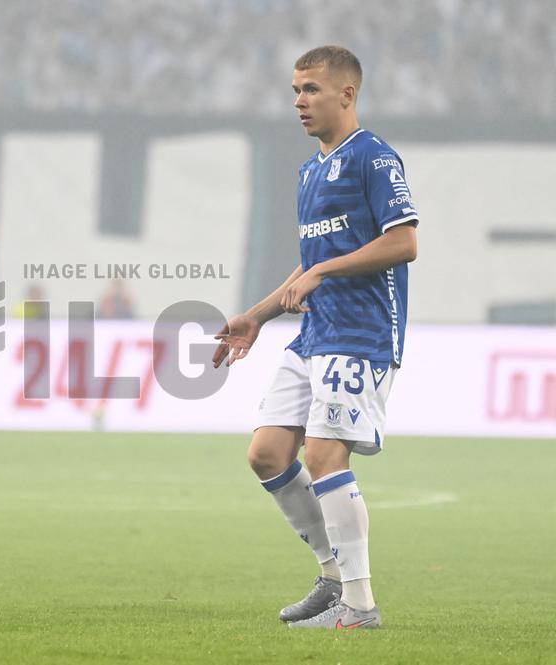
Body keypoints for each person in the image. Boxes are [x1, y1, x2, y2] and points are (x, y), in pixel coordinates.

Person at [213, 45, 419, 629]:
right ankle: (332, 577)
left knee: (324, 454)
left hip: (362, 331)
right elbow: (310, 264)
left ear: (346, 94)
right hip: (314, 332)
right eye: (296, 90)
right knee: (267, 453)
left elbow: (404, 243)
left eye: (311, 89)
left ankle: (359, 605)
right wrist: (256, 314)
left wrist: (324, 271)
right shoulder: (310, 171)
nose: (299, 101)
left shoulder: (374, 159)